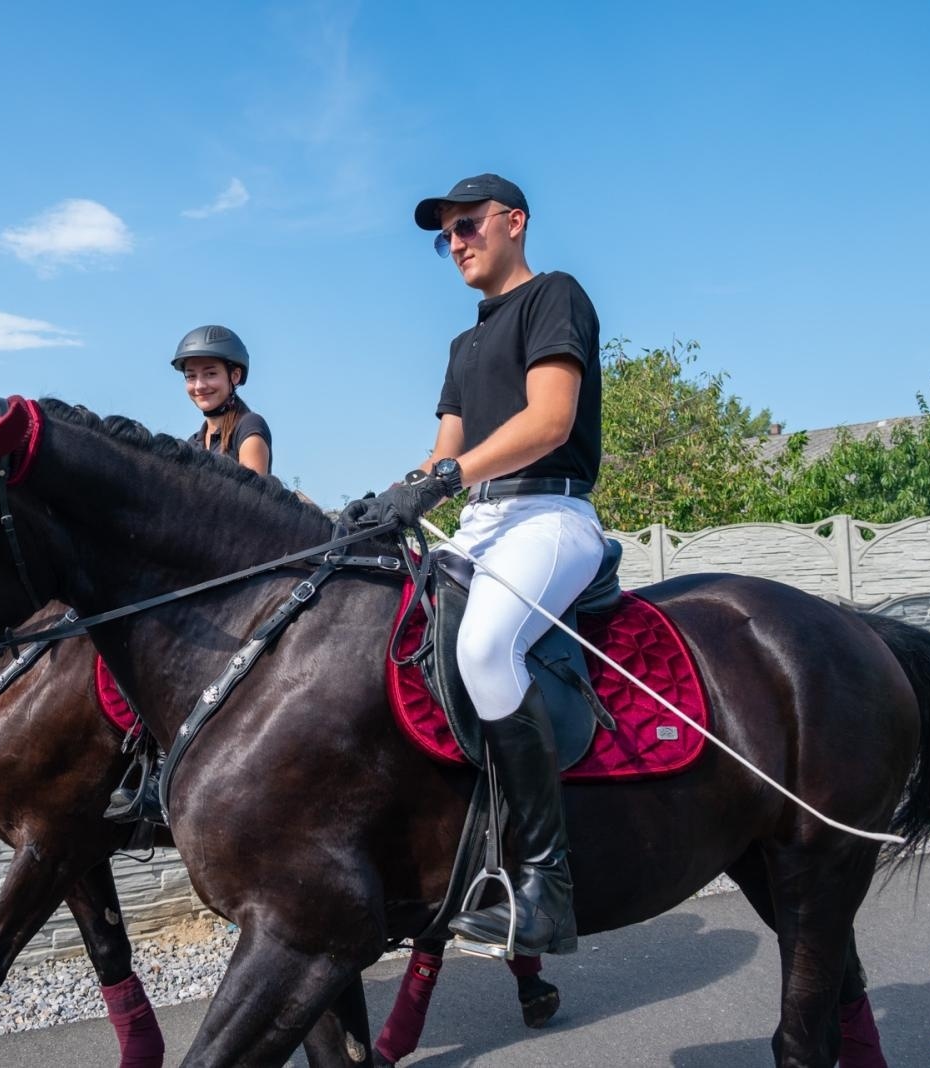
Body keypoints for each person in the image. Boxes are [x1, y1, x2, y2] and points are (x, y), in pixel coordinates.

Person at [341, 173, 604, 957]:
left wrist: (447, 479)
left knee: (487, 649)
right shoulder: (464, 345)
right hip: (482, 523)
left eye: (467, 225)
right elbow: (444, 454)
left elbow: (551, 421)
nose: (455, 243)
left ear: (513, 222)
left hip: (549, 515)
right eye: (444, 235)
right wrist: (390, 498)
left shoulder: (555, 295)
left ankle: (549, 885)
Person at [173, 324, 272, 476]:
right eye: (191, 376)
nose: (199, 386)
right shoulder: (193, 444)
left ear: (235, 376)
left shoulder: (248, 426)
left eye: (210, 374)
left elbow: (252, 491)